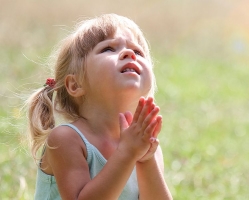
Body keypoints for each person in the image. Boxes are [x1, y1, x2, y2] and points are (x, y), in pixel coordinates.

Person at [26, 13, 172, 200]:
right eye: (108, 49)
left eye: (138, 52)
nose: (129, 54)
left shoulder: (145, 146)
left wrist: (146, 159)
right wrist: (127, 153)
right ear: (75, 84)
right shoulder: (66, 139)